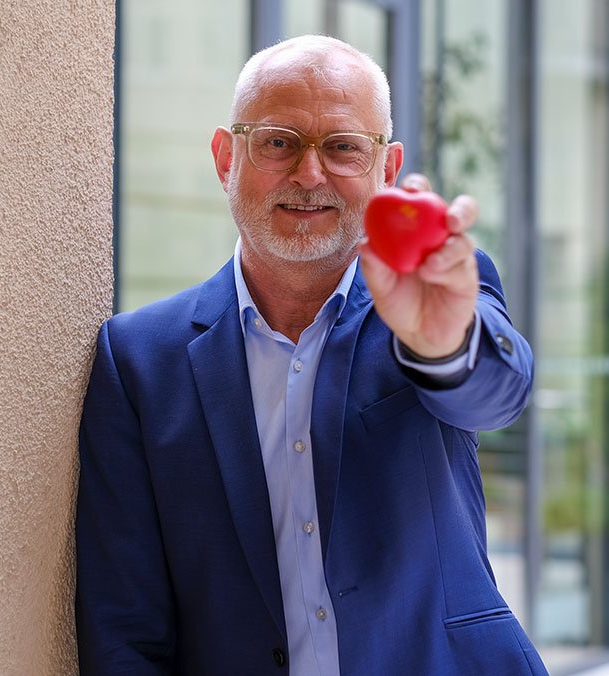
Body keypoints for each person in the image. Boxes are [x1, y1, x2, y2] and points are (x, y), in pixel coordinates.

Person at [75, 34, 546, 676]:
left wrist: (443, 344)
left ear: (387, 167)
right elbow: (123, 626)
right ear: (225, 157)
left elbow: (497, 394)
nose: (310, 173)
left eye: (343, 147)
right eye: (278, 142)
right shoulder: (138, 360)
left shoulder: (438, 295)